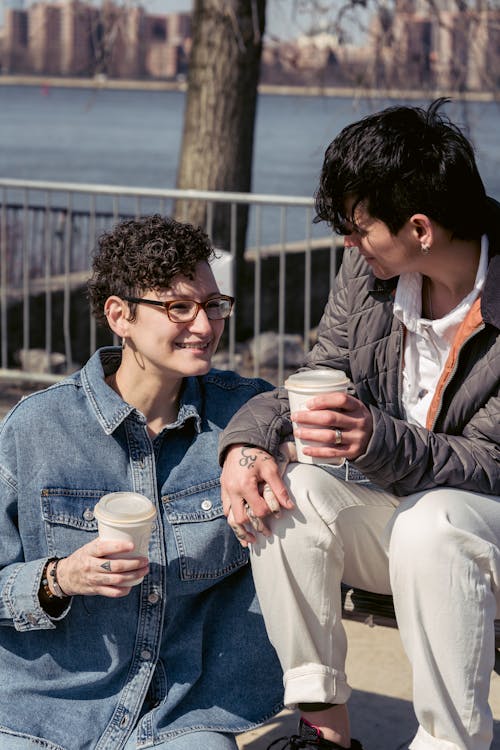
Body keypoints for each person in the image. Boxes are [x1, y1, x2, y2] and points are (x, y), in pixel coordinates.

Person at [219, 99, 500, 750]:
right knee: (292, 498)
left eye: (358, 227)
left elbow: (489, 463)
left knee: (436, 525)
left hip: (474, 527)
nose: (346, 241)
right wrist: (249, 443)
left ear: (421, 229)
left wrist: (377, 439)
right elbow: (323, 369)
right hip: (408, 523)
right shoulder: (372, 272)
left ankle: (450, 741)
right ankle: (325, 732)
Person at [0, 214, 283, 749]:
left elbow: (342, 479)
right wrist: (59, 578)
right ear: (119, 315)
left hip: (185, 711)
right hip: (44, 709)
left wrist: (260, 438)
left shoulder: (248, 414)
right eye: (178, 307)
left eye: (213, 306)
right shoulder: (36, 429)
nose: (204, 326)